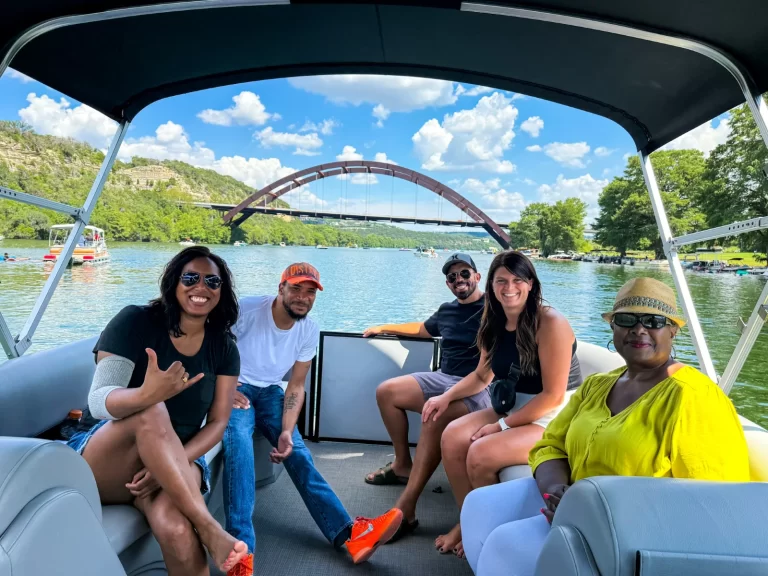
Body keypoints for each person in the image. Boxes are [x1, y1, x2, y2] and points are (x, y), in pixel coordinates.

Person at [461, 277, 750, 576]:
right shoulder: (599, 385)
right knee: (479, 507)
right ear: (613, 328)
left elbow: (715, 504)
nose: (639, 329)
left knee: (505, 548)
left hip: (633, 531)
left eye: (654, 321)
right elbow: (551, 445)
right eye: (627, 319)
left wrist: (586, 511)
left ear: (673, 330)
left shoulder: (693, 397)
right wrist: (558, 492)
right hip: (574, 502)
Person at [66, 246, 248, 575]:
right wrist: (148, 394)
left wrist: (168, 462)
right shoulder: (135, 321)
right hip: (109, 460)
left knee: (177, 529)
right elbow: (99, 400)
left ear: (222, 291)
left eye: (212, 281)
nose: (201, 287)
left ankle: (198, 529)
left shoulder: (224, 347)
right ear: (173, 283)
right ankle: (209, 529)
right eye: (190, 277)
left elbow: (219, 422)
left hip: (175, 460)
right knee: (152, 410)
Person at [223, 262, 402, 573]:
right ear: (280, 289)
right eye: (295, 288)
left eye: (310, 292)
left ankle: (350, 536)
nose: (302, 297)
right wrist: (221, 388)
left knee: (299, 452)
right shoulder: (246, 310)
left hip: (270, 393)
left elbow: (295, 384)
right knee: (238, 446)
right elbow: (208, 345)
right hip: (234, 385)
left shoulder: (309, 328)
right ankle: (241, 553)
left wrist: (287, 430)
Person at [438, 251, 581, 557]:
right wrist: (445, 396)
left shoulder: (549, 322)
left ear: (530, 284)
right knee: (452, 436)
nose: (509, 287)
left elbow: (554, 396)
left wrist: (501, 425)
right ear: (490, 285)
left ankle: (487, 535)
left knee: (480, 453)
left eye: (517, 280)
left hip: (555, 415)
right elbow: (480, 376)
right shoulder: (494, 322)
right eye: (500, 280)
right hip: (518, 406)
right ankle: (469, 522)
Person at [362, 252, 487, 541]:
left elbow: (488, 371)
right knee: (387, 392)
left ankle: (407, 506)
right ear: (447, 283)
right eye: (452, 277)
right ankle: (402, 464)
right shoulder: (447, 310)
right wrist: (384, 326)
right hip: (444, 378)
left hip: (480, 386)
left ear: (477, 277)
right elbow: (422, 329)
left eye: (465, 274)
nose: (459, 280)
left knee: (435, 414)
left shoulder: (493, 309)